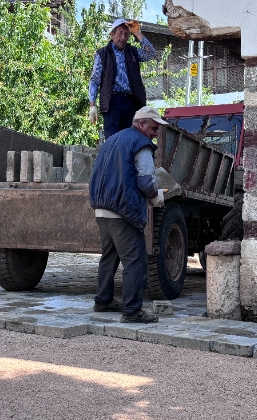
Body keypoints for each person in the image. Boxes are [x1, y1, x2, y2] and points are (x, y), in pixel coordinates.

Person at [89, 106, 168, 323]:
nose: (155, 133)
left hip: (102, 209)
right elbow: (145, 181)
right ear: (141, 124)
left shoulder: (112, 141)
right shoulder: (141, 144)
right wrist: (155, 196)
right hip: (123, 210)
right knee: (136, 262)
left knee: (109, 257)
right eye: (153, 128)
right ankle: (132, 311)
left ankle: (103, 300)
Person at [88, 18, 157, 139]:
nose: (123, 37)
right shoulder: (102, 54)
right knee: (113, 140)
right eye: (120, 33)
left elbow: (151, 54)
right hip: (112, 101)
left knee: (129, 140)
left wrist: (137, 33)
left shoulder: (133, 52)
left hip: (131, 103)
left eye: (126, 34)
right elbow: (94, 80)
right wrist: (92, 105)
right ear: (112, 34)